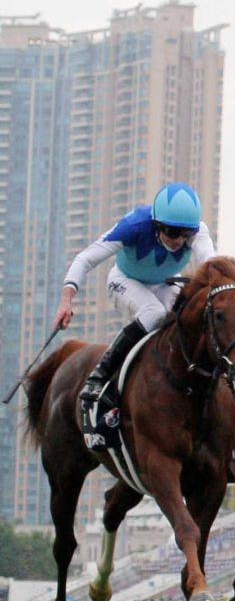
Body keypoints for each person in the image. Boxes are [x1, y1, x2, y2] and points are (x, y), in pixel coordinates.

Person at [56, 182, 217, 431]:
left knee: (184, 317)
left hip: (164, 284)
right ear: (157, 224)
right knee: (154, 314)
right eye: (173, 233)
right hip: (124, 280)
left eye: (186, 234)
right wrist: (66, 300)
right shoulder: (134, 225)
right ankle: (99, 376)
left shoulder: (197, 231)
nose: (180, 240)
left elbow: (211, 266)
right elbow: (84, 259)